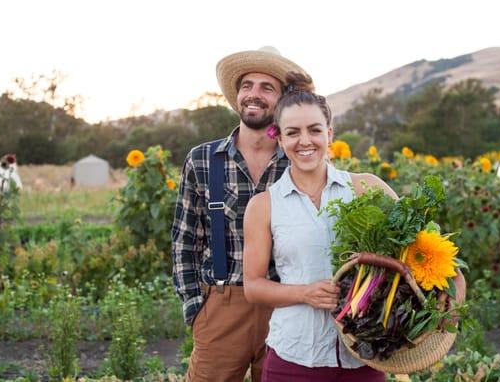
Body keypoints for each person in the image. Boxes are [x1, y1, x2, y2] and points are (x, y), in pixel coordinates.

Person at [242, 72, 466, 382]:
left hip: (364, 359)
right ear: (279, 138)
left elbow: (421, 250)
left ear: (330, 134)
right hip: (293, 359)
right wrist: (304, 293)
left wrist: (446, 304)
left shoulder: (366, 188)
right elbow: (252, 286)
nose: (304, 141)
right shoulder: (264, 205)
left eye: (314, 130)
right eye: (292, 132)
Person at [172, 47, 311, 382]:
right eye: (247, 85)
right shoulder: (203, 160)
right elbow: (184, 242)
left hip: (287, 307)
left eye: (267, 87)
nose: (253, 94)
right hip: (222, 305)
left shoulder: (300, 162)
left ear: (283, 100)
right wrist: (196, 310)